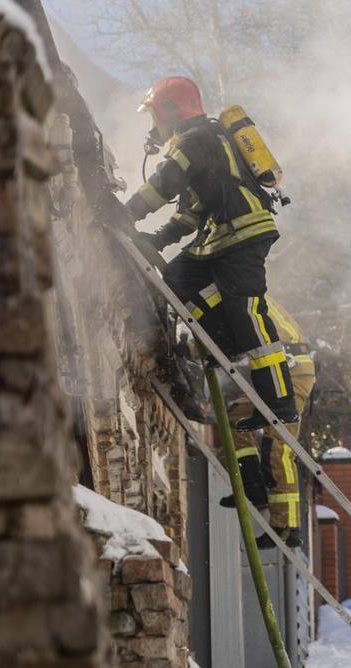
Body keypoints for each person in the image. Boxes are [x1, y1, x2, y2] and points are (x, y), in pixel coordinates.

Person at [124, 76, 296, 430]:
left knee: (248, 311)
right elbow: (192, 209)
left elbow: (163, 184)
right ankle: (226, 344)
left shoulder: (194, 140)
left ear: (171, 111)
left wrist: (124, 213)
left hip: (243, 232)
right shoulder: (201, 140)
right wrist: (159, 239)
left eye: (154, 113)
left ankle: (280, 401)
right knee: (175, 280)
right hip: (219, 237)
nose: (152, 124)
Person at [222, 297, 317, 548]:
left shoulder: (248, 299)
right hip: (272, 373)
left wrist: (189, 349)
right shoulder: (240, 295)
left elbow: (231, 338)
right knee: (236, 417)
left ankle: (286, 526)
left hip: (293, 373)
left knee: (278, 447)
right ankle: (252, 485)